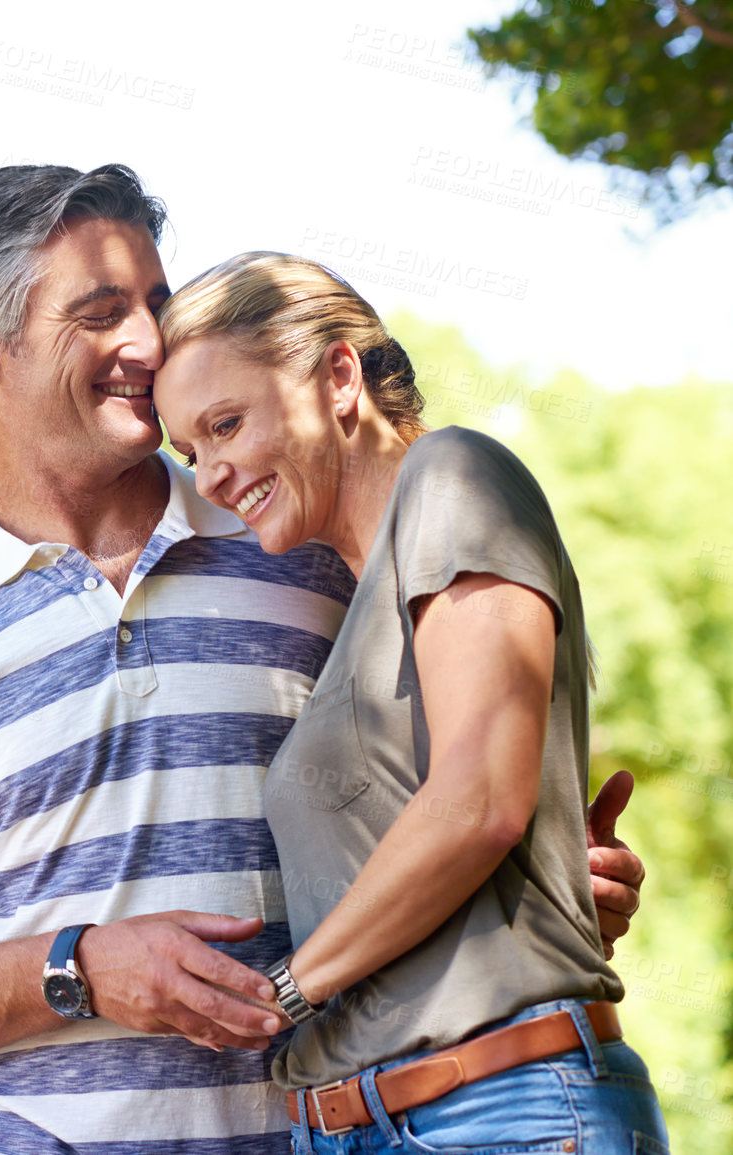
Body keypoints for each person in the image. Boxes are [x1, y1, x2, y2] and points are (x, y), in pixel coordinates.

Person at [0, 165, 646, 1154]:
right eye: (99, 310)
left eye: (154, 306)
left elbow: (464, 789)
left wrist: (536, 880)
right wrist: (80, 967)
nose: (142, 341)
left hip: (344, 1129)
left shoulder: (306, 542)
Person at [153, 250, 667, 1154]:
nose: (211, 475)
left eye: (225, 424)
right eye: (188, 452)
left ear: (338, 376)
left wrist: (277, 993)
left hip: (494, 1111)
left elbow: (476, 803)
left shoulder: (452, 475)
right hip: (371, 1122)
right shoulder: (354, 599)